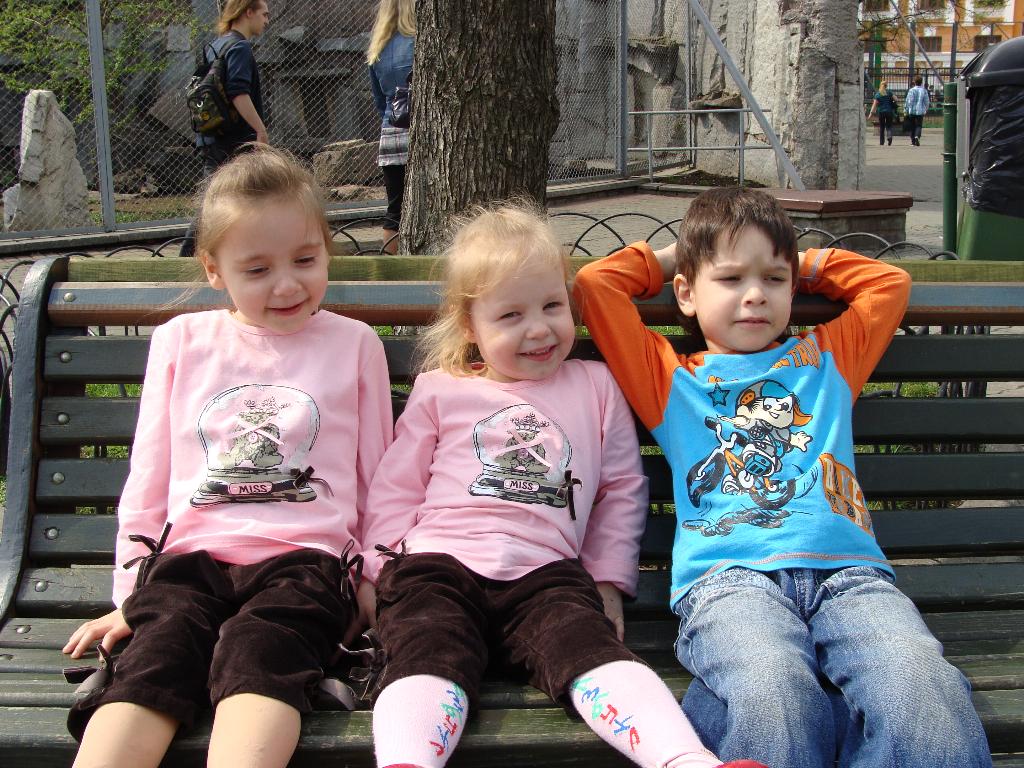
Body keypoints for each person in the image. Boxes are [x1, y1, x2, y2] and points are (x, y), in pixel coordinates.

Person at [573, 187, 993, 768]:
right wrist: (678, 257)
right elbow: (595, 286)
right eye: (730, 279)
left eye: (774, 279)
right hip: (730, 580)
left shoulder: (827, 360)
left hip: (851, 577)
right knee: (773, 687)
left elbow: (888, 284)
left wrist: (802, 260)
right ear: (687, 294)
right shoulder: (671, 380)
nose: (755, 295)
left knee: (923, 688)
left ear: (793, 288)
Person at [356, 202, 767, 768]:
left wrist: (607, 580)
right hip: (439, 565)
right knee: (425, 649)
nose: (539, 328)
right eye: (510, 315)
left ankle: (685, 760)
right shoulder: (441, 389)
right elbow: (396, 488)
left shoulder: (595, 385)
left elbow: (621, 490)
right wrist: (378, 571)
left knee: (595, 652)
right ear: (470, 327)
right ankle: (408, 760)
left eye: (552, 306)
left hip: (547, 575)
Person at [62, 147, 394, 768]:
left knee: (264, 653)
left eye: (305, 260)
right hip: (190, 562)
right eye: (258, 268)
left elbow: (380, 479)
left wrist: (373, 579)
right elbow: (149, 475)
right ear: (214, 270)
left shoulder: (354, 345)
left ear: (328, 251)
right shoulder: (181, 341)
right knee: (157, 656)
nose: (287, 284)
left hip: (306, 564)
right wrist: (131, 593)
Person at [180, 0, 271, 258]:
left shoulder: (216, 45)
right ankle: (185, 260)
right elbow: (238, 93)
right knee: (220, 201)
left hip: (212, 133)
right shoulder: (240, 47)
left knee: (222, 199)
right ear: (248, 12)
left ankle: (230, 256)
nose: (267, 20)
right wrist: (260, 130)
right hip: (234, 139)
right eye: (264, 14)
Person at [367, 0, 414, 255]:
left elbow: (378, 99)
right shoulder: (420, 42)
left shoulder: (377, 48)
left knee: (395, 208)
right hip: (418, 132)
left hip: (390, 133)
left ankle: (388, 265)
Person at [868, 80, 898, 146]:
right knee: (889, 126)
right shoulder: (889, 92)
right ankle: (889, 136)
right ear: (886, 86)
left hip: (881, 112)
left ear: (880, 86)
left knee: (882, 127)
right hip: (889, 112)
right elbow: (896, 99)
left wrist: (870, 114)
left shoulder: (878, 94)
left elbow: (874, 105)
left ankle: (881, 142)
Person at [905, 75, 931, 146]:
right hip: (920, 111)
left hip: (911, 110)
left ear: (914, 82)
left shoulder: (911, 90)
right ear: (921, 82)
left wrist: (906, 109)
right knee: (919, 125)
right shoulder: (924, 90)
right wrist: (926, 109)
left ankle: (913, 141)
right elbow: (926, 101)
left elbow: (908, 101)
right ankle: (917, 136)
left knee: (912, 126)